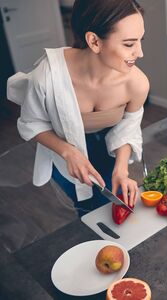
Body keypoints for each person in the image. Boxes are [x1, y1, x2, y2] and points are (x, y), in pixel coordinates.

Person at [7, 0, 149, 216]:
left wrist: (121, 167)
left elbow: (128, 126)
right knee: (86, 209)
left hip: (108, 146)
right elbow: (32, 123)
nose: (140, 53)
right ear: (94, 41)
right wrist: (68, 152)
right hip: (61, 148)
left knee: (108, 207)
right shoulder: (47, 76)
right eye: (129, 44)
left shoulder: (137, 83)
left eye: (141, 41)